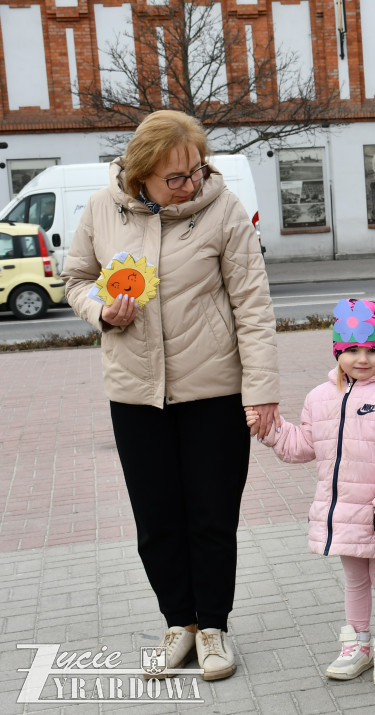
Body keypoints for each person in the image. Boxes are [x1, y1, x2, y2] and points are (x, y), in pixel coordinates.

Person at [61, 110, 279, 682]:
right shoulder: (101, 209)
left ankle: (213, 629)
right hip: (135, 395)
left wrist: (261, 393)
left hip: (214, 392)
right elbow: (76, 278)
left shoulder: (224, 210)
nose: (188, 184)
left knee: (211, 517)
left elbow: (253, 308)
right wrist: (101, 311)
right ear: (141, 173)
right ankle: (178, 623)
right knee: (156, 519)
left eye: (194, 172)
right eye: (173, 177)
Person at [248, 299, 375, 686]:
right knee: (355, 581)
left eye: (372, 349)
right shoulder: (319, 397)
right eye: (352, 350)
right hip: (341, 514)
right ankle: (357, 646)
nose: (363, 358)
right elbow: (304, 445)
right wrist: (271, 430)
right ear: (338, 352)